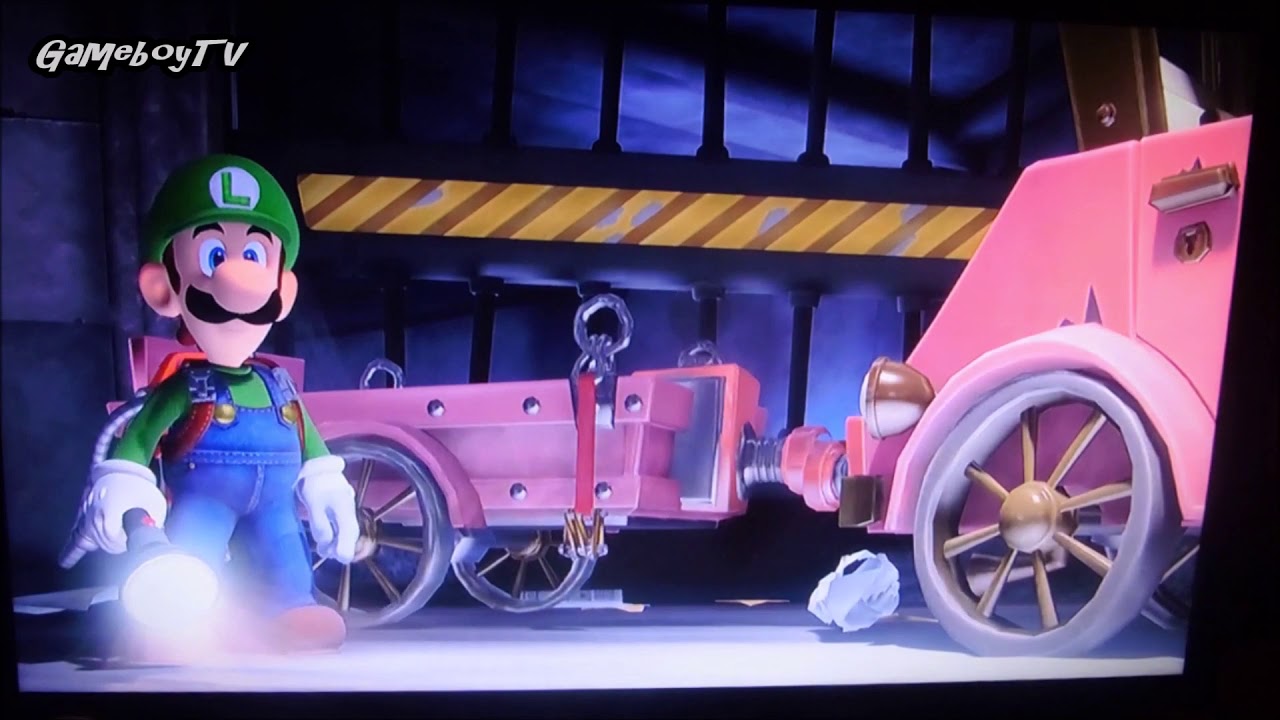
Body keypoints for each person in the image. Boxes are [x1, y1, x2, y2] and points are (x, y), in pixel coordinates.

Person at [69, 155, 359, 652]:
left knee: (288, 564)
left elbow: (312, 447)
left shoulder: (279, 384)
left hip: (276, 511)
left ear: (283, 289)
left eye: (255, 256)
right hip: (203, 506)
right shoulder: (183, 386)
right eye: (213, 255)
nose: (238, 279)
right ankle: (170, 620)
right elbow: (138, 441)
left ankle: (290, 607)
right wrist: (124, 485)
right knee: (188, 569)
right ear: (163, 287)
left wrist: (326, 483)